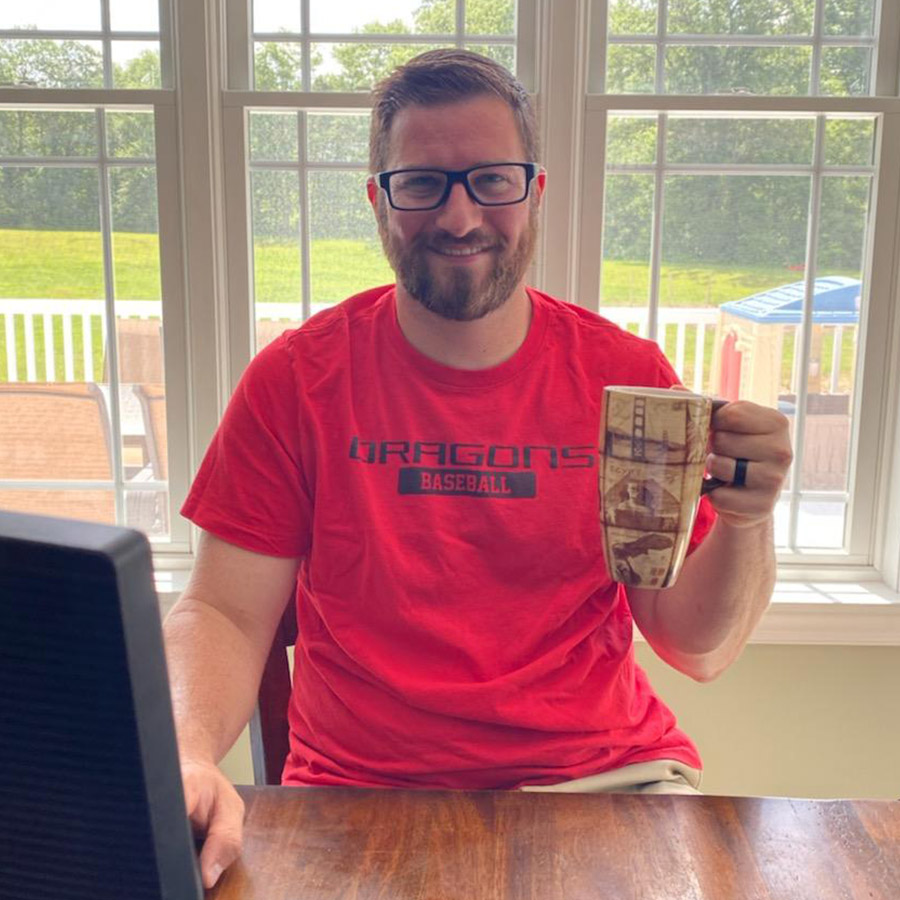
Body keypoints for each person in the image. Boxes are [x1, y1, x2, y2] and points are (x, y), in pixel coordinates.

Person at [163, 49, 793, 889]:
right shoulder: (298, 379)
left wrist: (747, 520)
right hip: (360, 799)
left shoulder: (627, 379)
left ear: (534, 191)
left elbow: (694, 643)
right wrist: (182, 750)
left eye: (491, 180)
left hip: (605, 785)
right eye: (422, 183)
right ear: (378, 201)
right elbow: (225, 614)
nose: (460, 218)